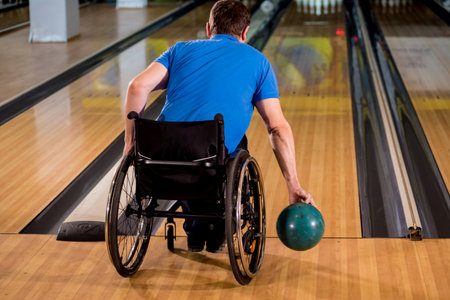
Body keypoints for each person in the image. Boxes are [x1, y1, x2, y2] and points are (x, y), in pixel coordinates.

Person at [123, 0, 316, 252]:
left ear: (208, 28)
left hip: (160, 152)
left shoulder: (178, 50)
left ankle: (195, 231)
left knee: (188, 150)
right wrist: (294, 185)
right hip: (211, 157)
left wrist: (131, 142)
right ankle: (214, 228)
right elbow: (276, 128)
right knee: (234, 146)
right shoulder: (258, 62)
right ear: (245, 32)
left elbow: (136, 87)